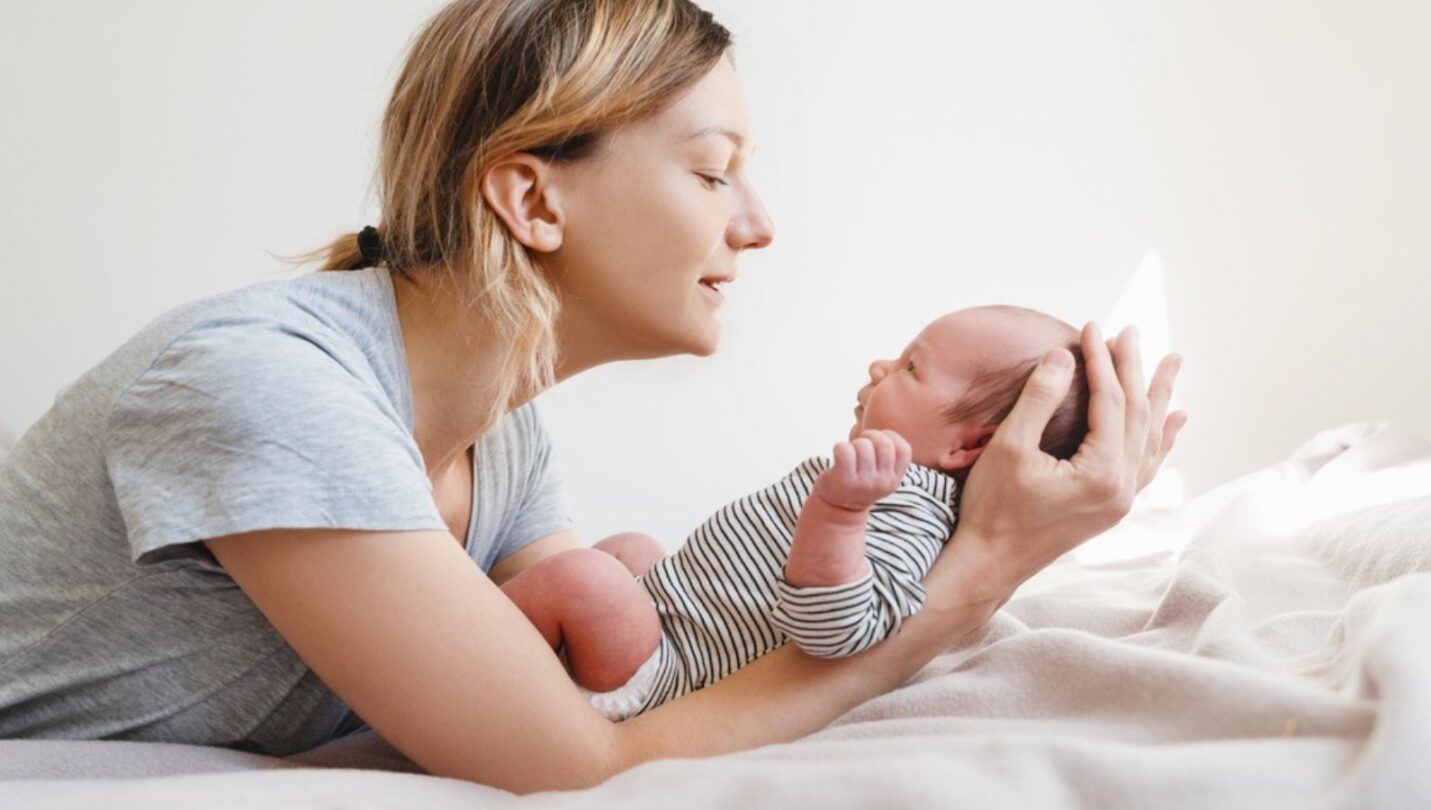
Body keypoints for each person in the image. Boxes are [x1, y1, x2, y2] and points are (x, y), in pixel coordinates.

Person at [0, 0, 1185, 794]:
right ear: (534, 200)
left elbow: (603, 691)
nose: (757, 222)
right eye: (714, 170)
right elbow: (577, 768)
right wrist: (982, 569)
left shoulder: (498, 437)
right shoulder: (274, 389)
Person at [502, 306, 1093, 720]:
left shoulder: (916, 516)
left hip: (674, 681)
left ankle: (473, 644)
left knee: (585, 579)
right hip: (671, 627)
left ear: (968, 447)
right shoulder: (889, 487)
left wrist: (839, 512)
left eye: (913, 368)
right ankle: (534, 655)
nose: (880, 367)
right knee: (630, 551)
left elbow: (836, 631)